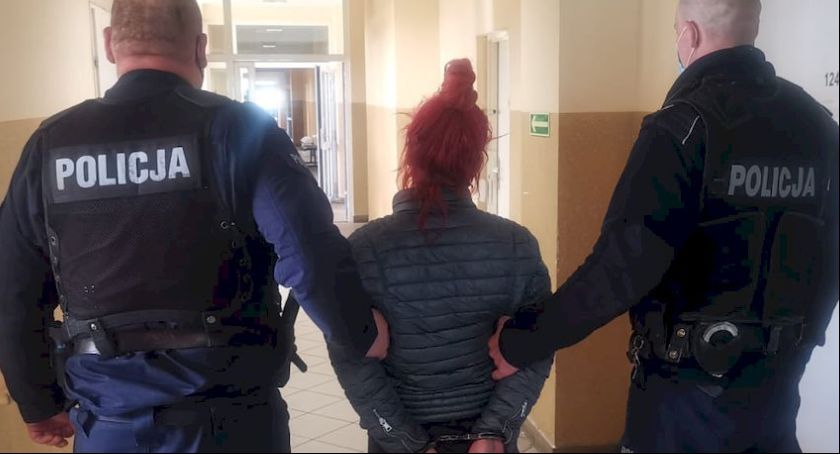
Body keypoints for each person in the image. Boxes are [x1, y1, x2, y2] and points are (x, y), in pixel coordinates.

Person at [0, 0, 388, 452]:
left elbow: (14, 288)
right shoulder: (240, 130)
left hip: (108, 424)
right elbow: (309, 253)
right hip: (231, 423)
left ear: (109, 45)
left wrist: (36, 400)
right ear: (201, 48)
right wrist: (361, 332)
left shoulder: (50, 144)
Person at [489, 0, 839, 452]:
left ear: (689, 35)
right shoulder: (819, 128)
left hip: (680, 404)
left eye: (676, 32)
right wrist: (798, 349)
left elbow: (619, 270)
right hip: (774, 397)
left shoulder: (683, 127)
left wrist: (522, 343)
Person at [327, 59, 553, 454]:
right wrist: (494, 431)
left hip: (401, 439)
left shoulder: (365, 248)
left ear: (411, 153)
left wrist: (407, 442)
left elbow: (353, 362)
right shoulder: (517, 245)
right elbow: (537, 348)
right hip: (486, 442)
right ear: (477, 160)